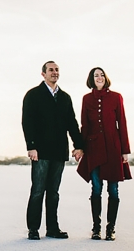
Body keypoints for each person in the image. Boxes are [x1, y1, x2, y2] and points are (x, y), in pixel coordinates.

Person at [22, 61, 84, 240]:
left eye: (57, 70)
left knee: (54, 193)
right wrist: (31, 146)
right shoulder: (33, 95)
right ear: (43, 74)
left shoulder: (64, 97)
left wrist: (78, 145)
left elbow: (72, 123)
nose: (54, 73)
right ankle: (33, 228)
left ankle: (52, 228)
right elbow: (27, 122)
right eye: (51, 70)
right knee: (38, 191)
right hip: (40, 152)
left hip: (58, 152)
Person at [76, 67, 131, 241]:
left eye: (101, 75)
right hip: (94, 149)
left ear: (105, 78)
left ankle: (111, 229)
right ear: (91, 80)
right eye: (95, 76)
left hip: (114, 149)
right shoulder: (86, 99)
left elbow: (122, 123)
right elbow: (84, 125)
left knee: (113, 190)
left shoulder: (116, 97)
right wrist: (80, 147)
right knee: (96, 189)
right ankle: (96, 229)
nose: (99, 77)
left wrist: (125, 150)